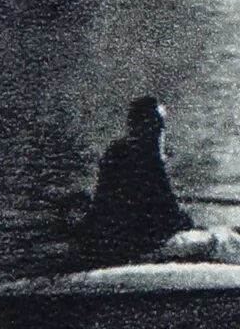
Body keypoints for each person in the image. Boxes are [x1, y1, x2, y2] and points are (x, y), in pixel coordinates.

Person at [76, 95, 193, 264]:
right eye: (158, 125)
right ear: (148, 127)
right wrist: (186, 220)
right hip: (140, 245)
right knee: (219, 242)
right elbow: (170, 216)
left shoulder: (116, 151)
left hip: (109, 238)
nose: (161, 131)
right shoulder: (148, 158)